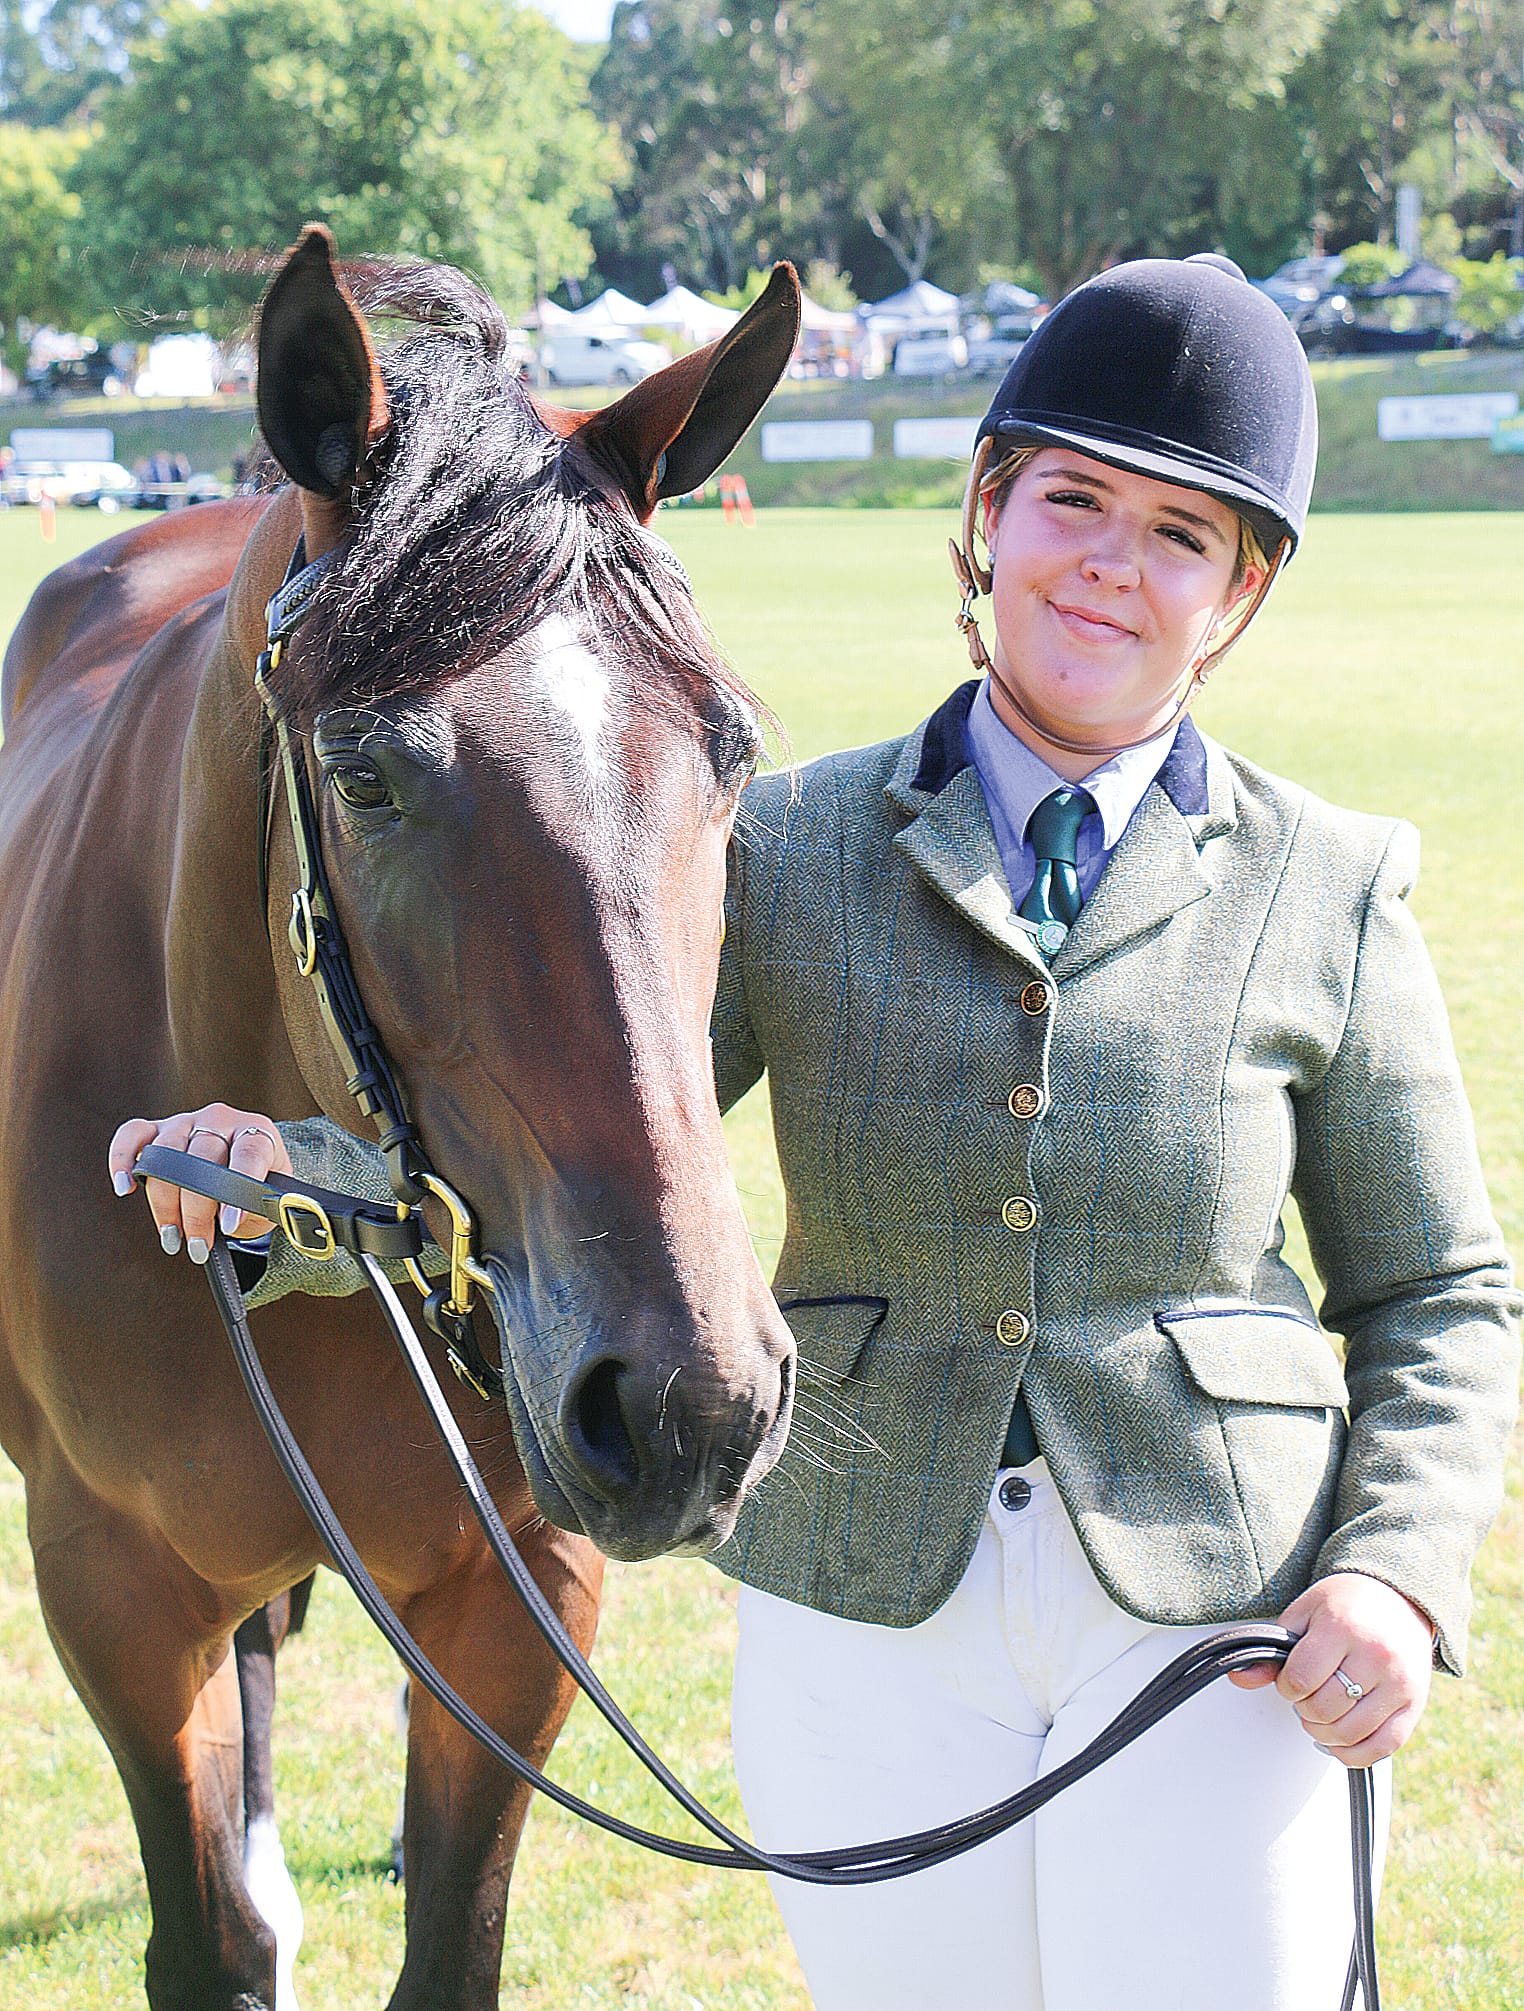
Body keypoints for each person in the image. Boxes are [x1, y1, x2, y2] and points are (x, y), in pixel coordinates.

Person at [112, 255, 1519, 2010]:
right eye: (1073, 502)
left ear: (1240, 594)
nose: (1110, 562)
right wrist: (299, 1176)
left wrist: (1397, 1573)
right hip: (866, 1616)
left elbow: (1441, 1289)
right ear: (988, 514)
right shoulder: (777, 846)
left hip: (1218, 1625)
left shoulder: (1334, 884)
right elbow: (577, 1137)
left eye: (1181, 535)